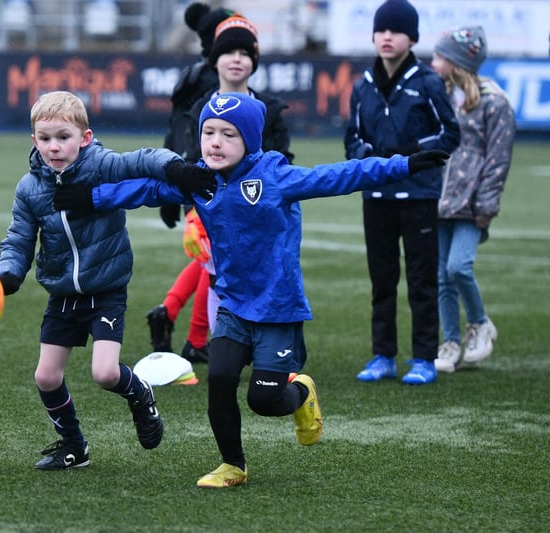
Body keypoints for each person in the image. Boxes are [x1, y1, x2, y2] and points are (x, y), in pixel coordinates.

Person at [55, 92, 450, 487]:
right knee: (220, 380)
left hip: (278, 309)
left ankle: (300, 392)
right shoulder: (201, 181)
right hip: (233, 306)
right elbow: (146, 190)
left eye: (228, 134)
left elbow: (341, 175)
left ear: (249, 141)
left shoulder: (275, 176)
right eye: (209, 132)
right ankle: (233, 465)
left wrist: (405, 165)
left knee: (264, 401)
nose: (214, 142)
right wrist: (90, 197)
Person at [0, 90, 214, 470]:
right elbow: (18, 238)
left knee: (105, 373)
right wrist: (9, 273)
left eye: (63, 137)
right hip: (62, 293)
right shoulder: (30, 188)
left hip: (107, 289)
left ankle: (140, 394)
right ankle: (74, 447)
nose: (54, 147)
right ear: (34, 141)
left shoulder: (101, 166)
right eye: (45, 139)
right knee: (46, 376)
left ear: (85, 137)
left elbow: (145, 158)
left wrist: (177, 168)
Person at [147, 13, 296, 363]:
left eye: (245, 53)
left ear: (254, 60)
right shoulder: (202, 108)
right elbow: (189, 161)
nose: (237, 59)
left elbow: (283, 160)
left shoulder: (268, 108)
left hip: (256, 209)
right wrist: (190, 213)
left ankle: (182, 321)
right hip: (211, 206)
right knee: (214, 264)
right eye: (229, 52)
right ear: (215, 59)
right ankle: (204, 338)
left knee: (224, 267)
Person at [344, 0, 460, 385]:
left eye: (395, 30)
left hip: (420, 197)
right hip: (375, 199)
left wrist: (408, 156)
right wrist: (371, 160)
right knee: (382, 281)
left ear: (412, 38)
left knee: (422, 281)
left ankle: (424, 358)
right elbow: (352, 140)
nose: (387, 37)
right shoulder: (362, 86)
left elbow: (450, 134)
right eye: (381, 30)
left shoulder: (428, 82)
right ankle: (383, 356)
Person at [430, 26, 516, 372]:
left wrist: (487, 206)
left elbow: (498, 161)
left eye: (439, 56)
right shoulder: (441, 96)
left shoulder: (495, 103)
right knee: (442, 278)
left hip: (471, 204)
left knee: (458, 267)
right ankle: (450, 343)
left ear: (456, 61)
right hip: (438, 201)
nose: (433, 62)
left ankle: (479, 324)